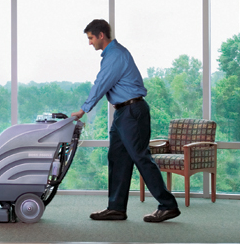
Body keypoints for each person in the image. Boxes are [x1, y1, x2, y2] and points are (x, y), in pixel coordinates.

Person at [71, 19, 180, 223]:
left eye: (91, 38)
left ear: (101, 35)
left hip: (132, 111)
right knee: (117, 158)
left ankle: (168, 205)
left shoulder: (116, 55)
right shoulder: (112, 55)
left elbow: (101, 83)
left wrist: (83, 110)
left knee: (141, 158)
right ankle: (116, 208)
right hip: (123, 112)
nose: (90, 43)